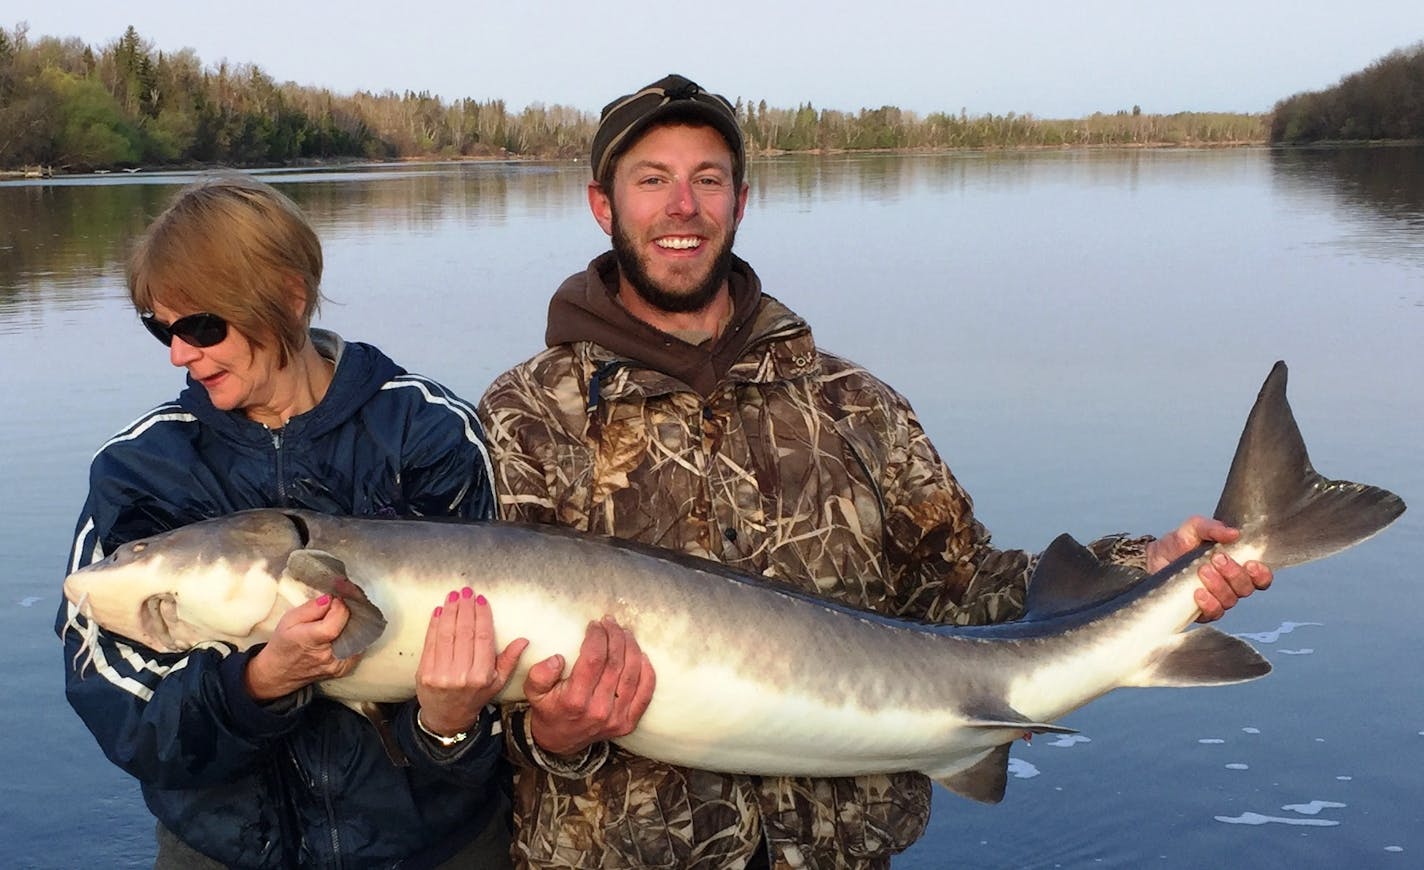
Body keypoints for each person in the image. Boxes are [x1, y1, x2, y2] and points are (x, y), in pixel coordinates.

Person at [477, 74, 1274, 869]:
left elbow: (965, 589)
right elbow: (466, 701)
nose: (682, 205)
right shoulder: (530, 413)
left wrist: (1147, 571)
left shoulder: (853, 401)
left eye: (706, 179)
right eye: (652, 180)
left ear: (739, 203)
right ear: (602, 205)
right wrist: (553, 731)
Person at [57, 173, 525, 869]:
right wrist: (255, 686)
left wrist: (445, 729)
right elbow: (124, 715)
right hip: (222, 851)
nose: (180, 354)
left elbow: (496, 704)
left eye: (202, 326)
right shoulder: (141, 468)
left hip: (431, 847)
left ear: (288, 296)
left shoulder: (427, 431)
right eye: (162, 329)